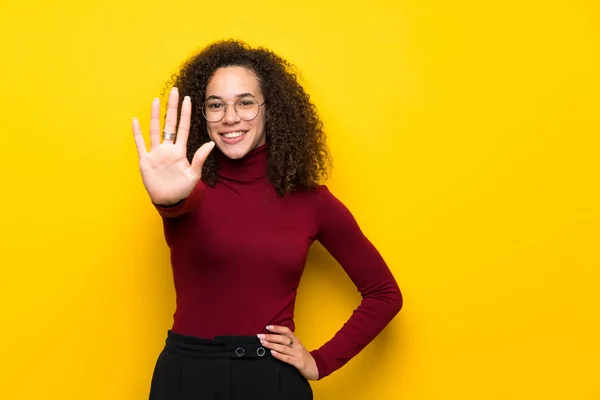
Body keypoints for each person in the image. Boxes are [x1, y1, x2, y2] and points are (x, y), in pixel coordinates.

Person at [131, 39, 403, 400]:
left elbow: (384, 294)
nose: (230, 117)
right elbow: (178, 205)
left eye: (245, 102)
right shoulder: (187, 189)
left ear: (270, 110)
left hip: (270, 380)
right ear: (203, 117)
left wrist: (320, 361)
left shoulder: (312, 202)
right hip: (186, 376)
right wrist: (168, 199)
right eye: (216, 105)